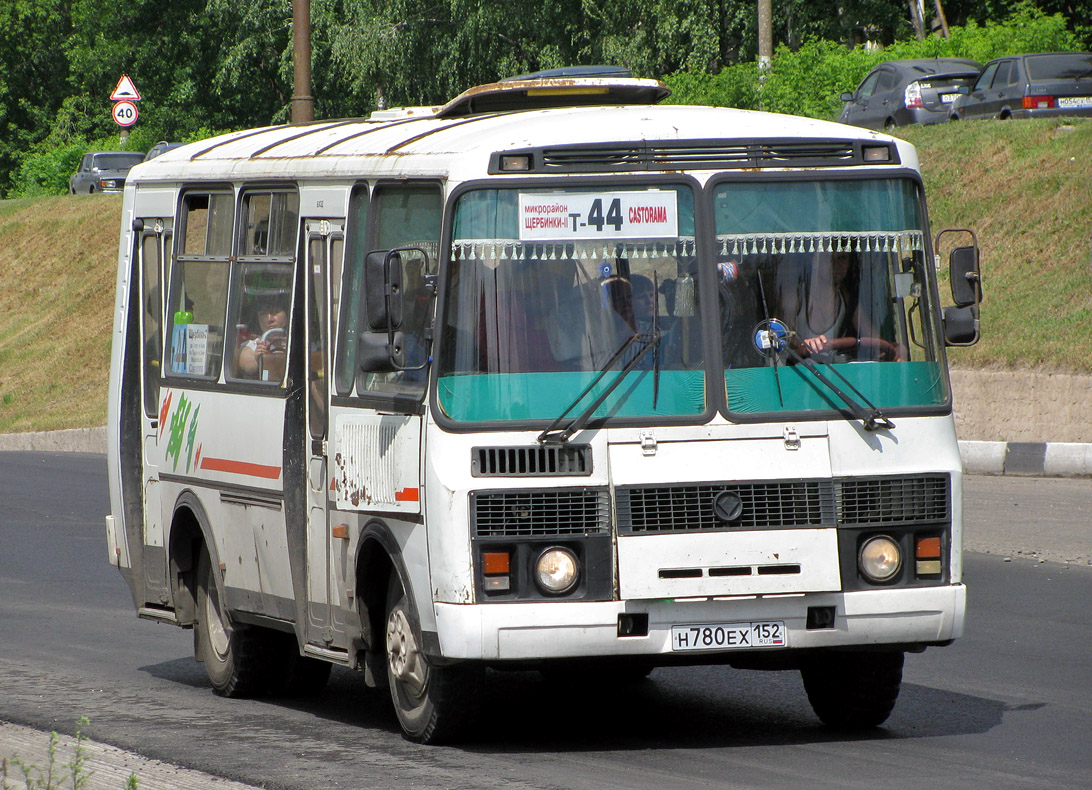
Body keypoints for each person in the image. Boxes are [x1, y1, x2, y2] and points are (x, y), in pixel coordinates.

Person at [237, 294, 289, 381]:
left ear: (287, 315)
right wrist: (259, 359)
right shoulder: (253, 346)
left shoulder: (301, 342)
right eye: (263, 314)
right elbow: (248, 366)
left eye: (275, 312)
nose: (269, 319)